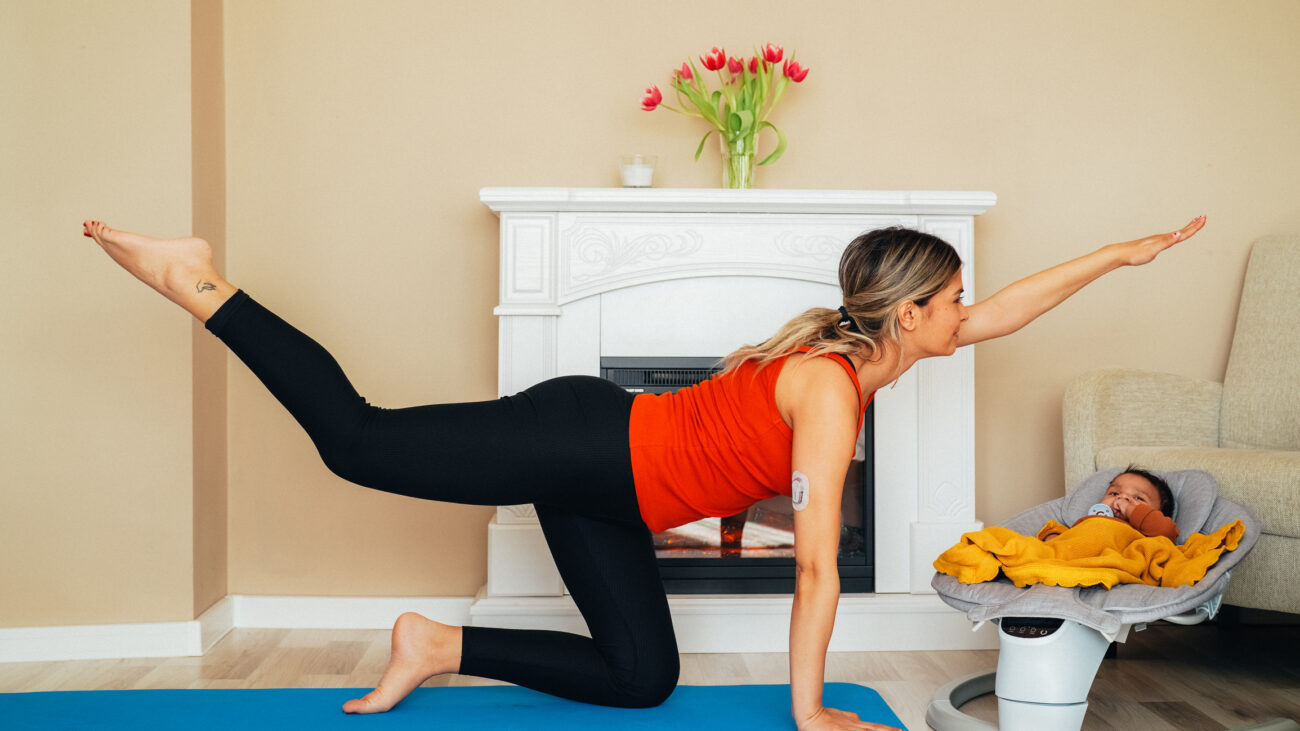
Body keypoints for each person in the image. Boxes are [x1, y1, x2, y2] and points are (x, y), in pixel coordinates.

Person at [79, 214, 1206, 731]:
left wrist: (1116, 254)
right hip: (581, 441)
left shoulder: (881, 348)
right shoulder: (829, 387)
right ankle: (202, 283)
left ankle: (437, 644)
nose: (966, 316)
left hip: (610, 489)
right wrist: (808, 708)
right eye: (950, 302)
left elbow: (1006, 310)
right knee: (358, 439)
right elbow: (816, 567)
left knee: (638, 678)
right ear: (909, 314)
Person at [1039, 467, 1178, 542]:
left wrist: (1133, 511)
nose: (1122, 498)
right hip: (1079, 557)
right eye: (1115, 494)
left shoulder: (1144, 535)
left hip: (1115, 562)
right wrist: (1053, 536)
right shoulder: (1091, 521)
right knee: (1023, 545)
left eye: (1139, 498)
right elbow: (1072, 534)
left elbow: (1167, 531)